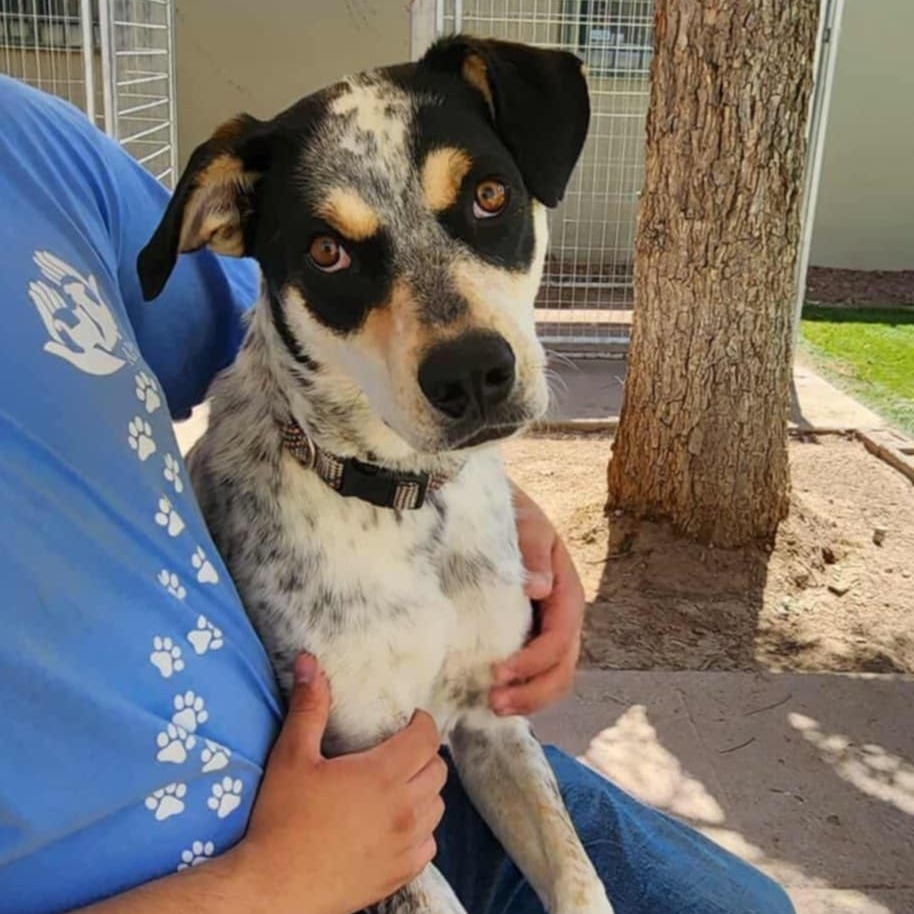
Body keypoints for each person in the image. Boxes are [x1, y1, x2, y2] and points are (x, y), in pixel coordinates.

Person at [0, 74, 794, 914]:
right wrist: (265, 883)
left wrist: (477, 482)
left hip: (408, 765)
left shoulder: (35, 152)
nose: (456, 334)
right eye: (333, 252)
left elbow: (258, 322)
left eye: (486, 200)